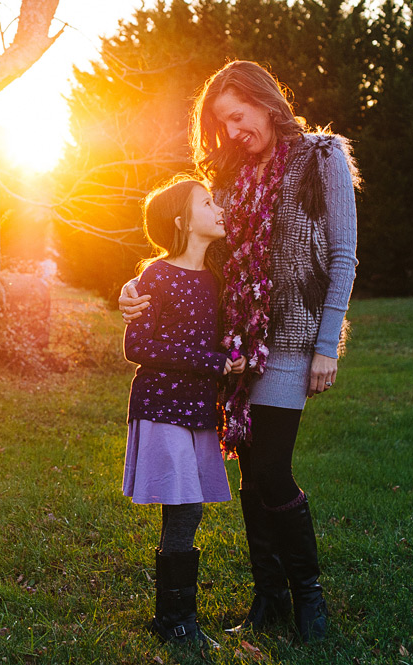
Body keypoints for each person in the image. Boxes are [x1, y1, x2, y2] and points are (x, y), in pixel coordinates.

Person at [120, 60, 359, 643]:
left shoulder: (321, 158)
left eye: (237, 116)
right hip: (233, 347)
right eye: (221, 124)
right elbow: (190, 244)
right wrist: (136, 289)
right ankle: (269, 598)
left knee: (273, 471)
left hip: (292, 342)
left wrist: (327, 344)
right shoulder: (229, 174)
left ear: (265, 101)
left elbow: (344, 254)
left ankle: (309, 599)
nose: (231, 132)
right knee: (252, 476)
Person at [123, 177, 245, 649]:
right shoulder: (156, 276)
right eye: (207, 203)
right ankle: (178, 621)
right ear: (182, 221)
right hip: (161, 406)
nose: (218, 209)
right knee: (188, 507)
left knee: (181, 505)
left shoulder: (215, 278)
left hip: (197, 412)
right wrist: (213, 361)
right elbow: (139, 344)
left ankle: (170, 617)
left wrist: (229, 357)